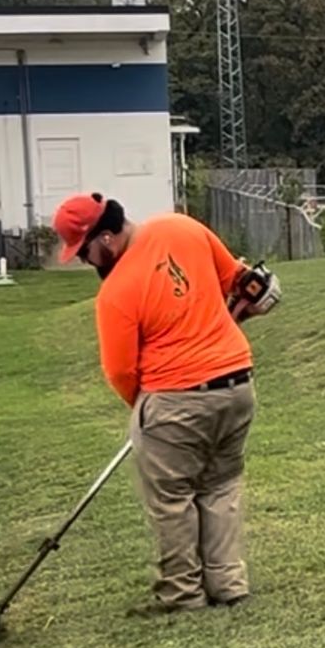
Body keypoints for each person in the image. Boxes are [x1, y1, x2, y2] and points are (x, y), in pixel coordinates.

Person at [53, 193, 260, 615]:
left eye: (84, 253)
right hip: (237, 385)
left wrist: (148, 412)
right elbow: (235, 280)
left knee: (172, 498)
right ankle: (228, 583)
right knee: (221, 486)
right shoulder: (182, 226)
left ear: (106, 239)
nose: (86, 262)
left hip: (173, 399)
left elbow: (120, 371)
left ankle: (182, 595)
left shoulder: (116, 293)